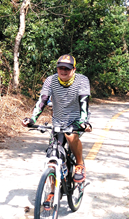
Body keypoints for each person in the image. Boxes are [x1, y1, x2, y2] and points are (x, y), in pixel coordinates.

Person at [22, 54, 92, 183]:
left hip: (77, 119)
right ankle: (51, 191)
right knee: (52, 156)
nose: (63, 71)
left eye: (67, 68)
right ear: (57, 68)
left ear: (74, 69)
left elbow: (84, 102)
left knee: (70, 136)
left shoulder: (82, 80)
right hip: (58, 121)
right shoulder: (51, 80)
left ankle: (79, 165)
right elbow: (42, 100)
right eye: (61, 68)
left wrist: (84, 122)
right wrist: (32, 119)